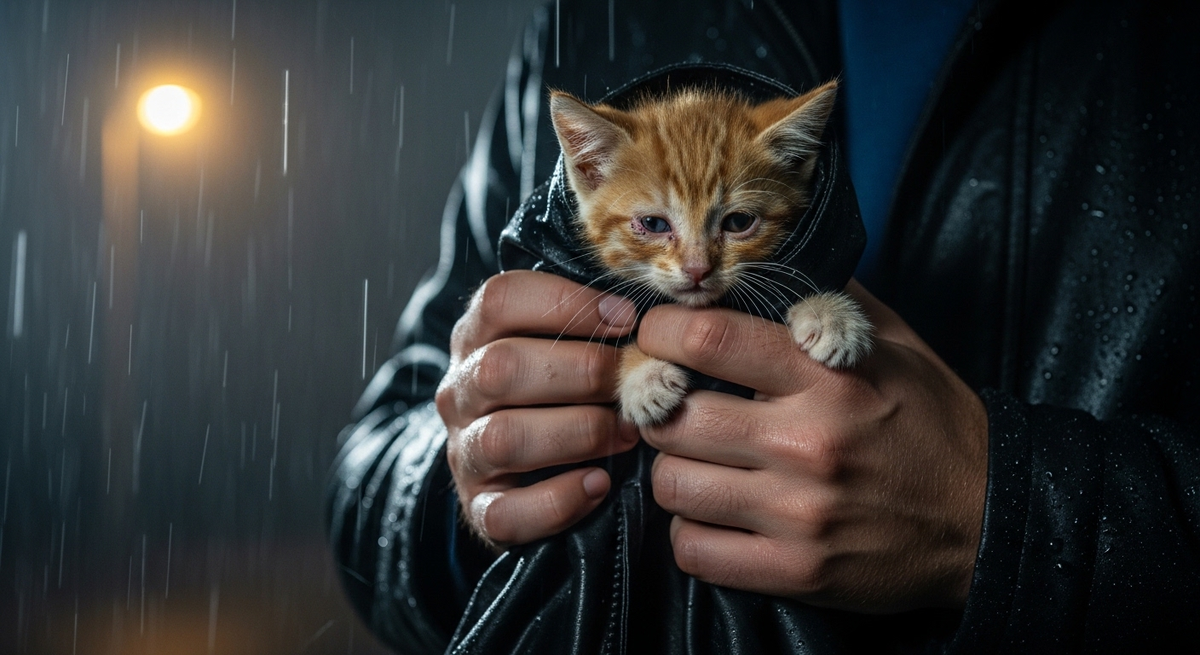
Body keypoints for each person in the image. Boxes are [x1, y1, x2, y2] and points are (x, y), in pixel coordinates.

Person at [328, 0, 1200, 652]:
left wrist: (1005, 518)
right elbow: (375, 471)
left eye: (736, 225)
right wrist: (472, 483)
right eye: (659, 228)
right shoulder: (591, 18)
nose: (697, 268)